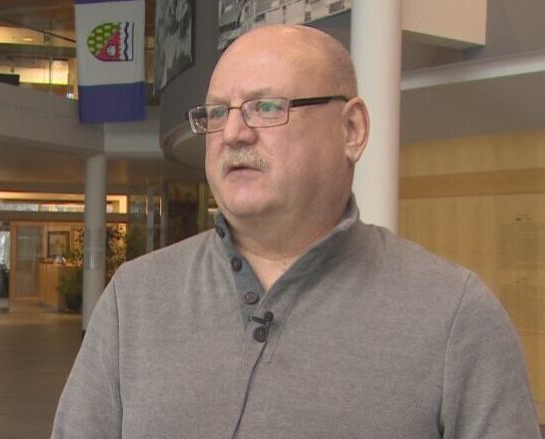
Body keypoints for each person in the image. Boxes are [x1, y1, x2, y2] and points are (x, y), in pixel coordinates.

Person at [51, 25, 541, 439]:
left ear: (351, 130)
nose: (234, 134)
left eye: (266, 108)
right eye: (217, 113)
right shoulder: (134, 298)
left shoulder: (455, 315)